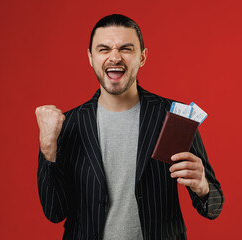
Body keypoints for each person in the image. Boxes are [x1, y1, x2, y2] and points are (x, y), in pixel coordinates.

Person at [36, 14, 224, 240]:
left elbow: (214, 207)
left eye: (126, 48)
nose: (114, 57)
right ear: (90, 57)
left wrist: (202, 186)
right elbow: (54, 212)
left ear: (142, 57)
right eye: (104, 49)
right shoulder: (66, 125)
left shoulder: (175, 117)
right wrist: (48, 148)